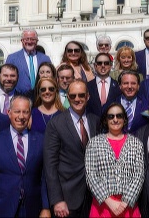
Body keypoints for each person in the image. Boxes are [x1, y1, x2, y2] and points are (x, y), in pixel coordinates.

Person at [0, 96, 49, 218]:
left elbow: (45, 176)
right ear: (9, 113)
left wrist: (46, 207)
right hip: (1, 208)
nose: (21, 116)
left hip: (32, 208)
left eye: (25, 112)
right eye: (17, 111)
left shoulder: (41, 140)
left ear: (30, 114)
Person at [44, 80, 100, 218]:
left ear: (88, 96)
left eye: (81, 95)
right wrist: (57, 200)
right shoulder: (56, 124)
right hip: (67, 198)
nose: (77, 99)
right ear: (68, 97)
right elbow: (50, 165)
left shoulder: (96, 121)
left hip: (94, 197)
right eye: (73, 96)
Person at [85, 103, 145, 218]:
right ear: (106, 120)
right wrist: (109, 201)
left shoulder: (136, 143)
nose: (115, 119)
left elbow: (139, 175)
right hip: (102, 207)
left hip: (128, 208)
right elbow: (91, 175)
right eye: (111, 116)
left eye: (119, 116)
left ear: (124, 119)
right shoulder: (94, 143)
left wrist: (125, 202)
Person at [5, 29, 53, 95]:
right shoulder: (12, 58)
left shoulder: (45, 58)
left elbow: (51, 78)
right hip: (20, 98)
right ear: (22, 41)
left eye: (33, 39)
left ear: (37, 41)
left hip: (41, 97)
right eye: (26, 39)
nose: (29, 41)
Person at [86, 52, 121, 116]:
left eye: (106, 63)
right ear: (95, 66)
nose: (103, 66)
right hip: (93, 124)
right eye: (99, 63)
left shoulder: (118, 86)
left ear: (110, 66)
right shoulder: (87, 86)